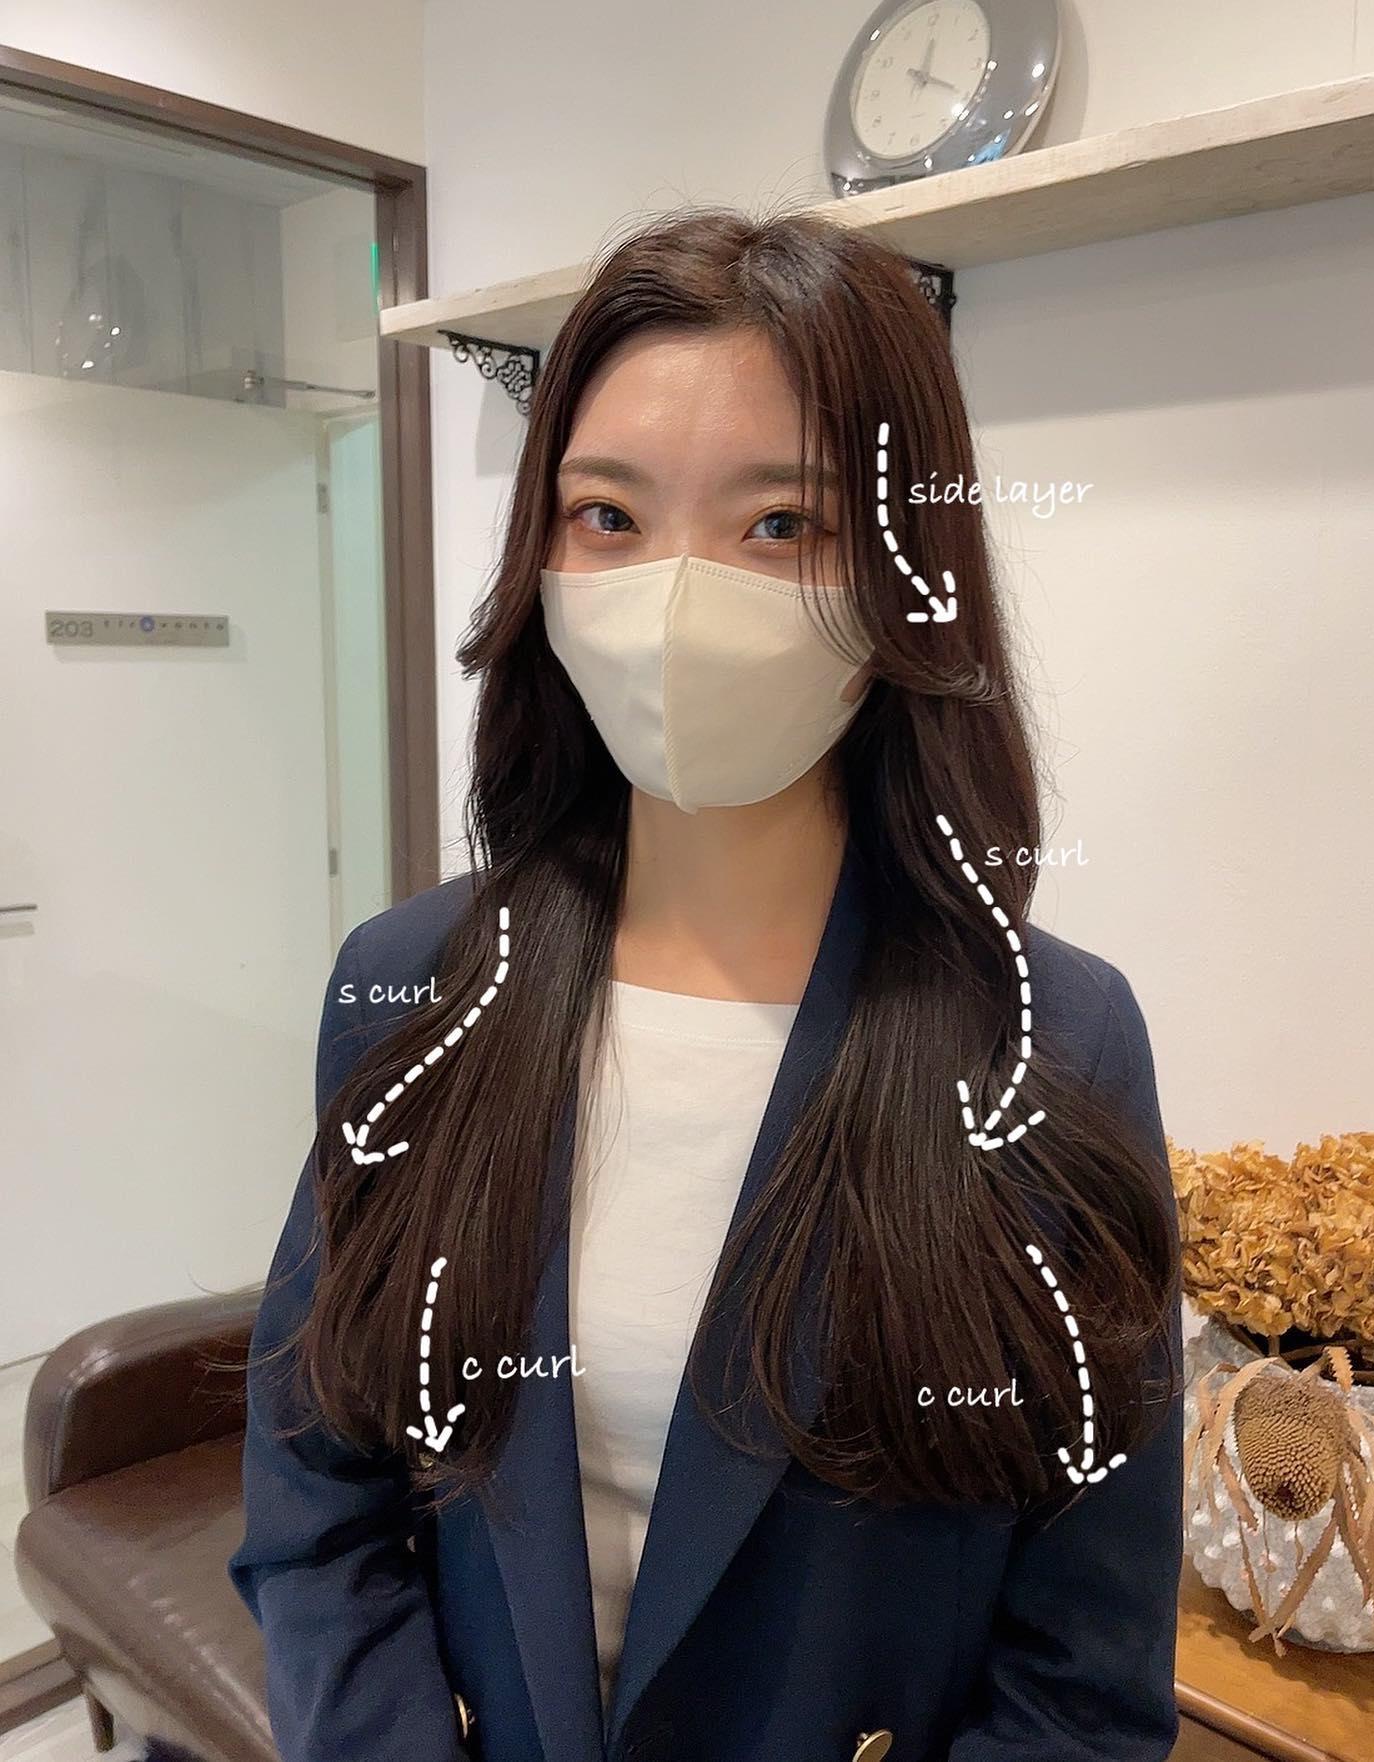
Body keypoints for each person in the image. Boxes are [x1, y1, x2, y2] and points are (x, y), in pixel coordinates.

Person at [228, 204, 1185, 1762]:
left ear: (905, 578)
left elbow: (1081, 1677)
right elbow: (314, 1508)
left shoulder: (1053, 1045)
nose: (675, 598)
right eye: (607, 514)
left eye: (781, 524)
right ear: (540, 554)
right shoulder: (410, 988)